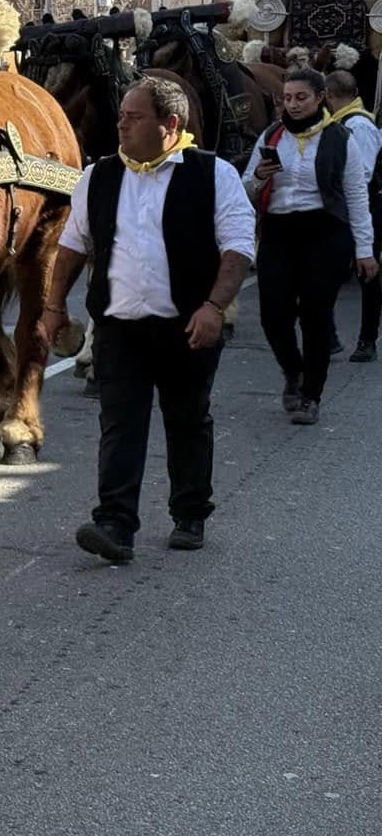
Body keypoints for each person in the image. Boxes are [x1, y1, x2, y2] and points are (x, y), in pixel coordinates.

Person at [43, 77, 255, 562]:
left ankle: (190, 513)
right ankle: (115, 524)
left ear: (170, 124)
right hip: (119, 327)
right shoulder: (98, 177)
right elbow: (74, 245)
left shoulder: (213, 174)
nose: (121, 123)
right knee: (120, 424)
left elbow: (239, 247)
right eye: (121, 115)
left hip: (189, 326)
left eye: (134, 117)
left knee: (187, 419)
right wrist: (54, 307)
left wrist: (214, 307)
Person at [242, 68, 378, 425]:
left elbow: (356, 195)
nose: (293, 104)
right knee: (274, 315)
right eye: (287, 98)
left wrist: (364, 249)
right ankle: (293, 370)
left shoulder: (340, 138)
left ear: (320, 98)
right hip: (278, 232)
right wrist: (258, 178)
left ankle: (311, 395)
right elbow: (244, 189)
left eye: (301, 98)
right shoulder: (272, 136)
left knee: (316, 316)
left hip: (325, 233)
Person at [325, 70, 382, 363]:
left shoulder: (358, 126)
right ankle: (329, 334)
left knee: (367, 273)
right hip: (341, 210)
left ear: (330, 96)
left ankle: (367, 339)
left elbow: (362, 173)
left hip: (365, 208)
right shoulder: (338, 123)